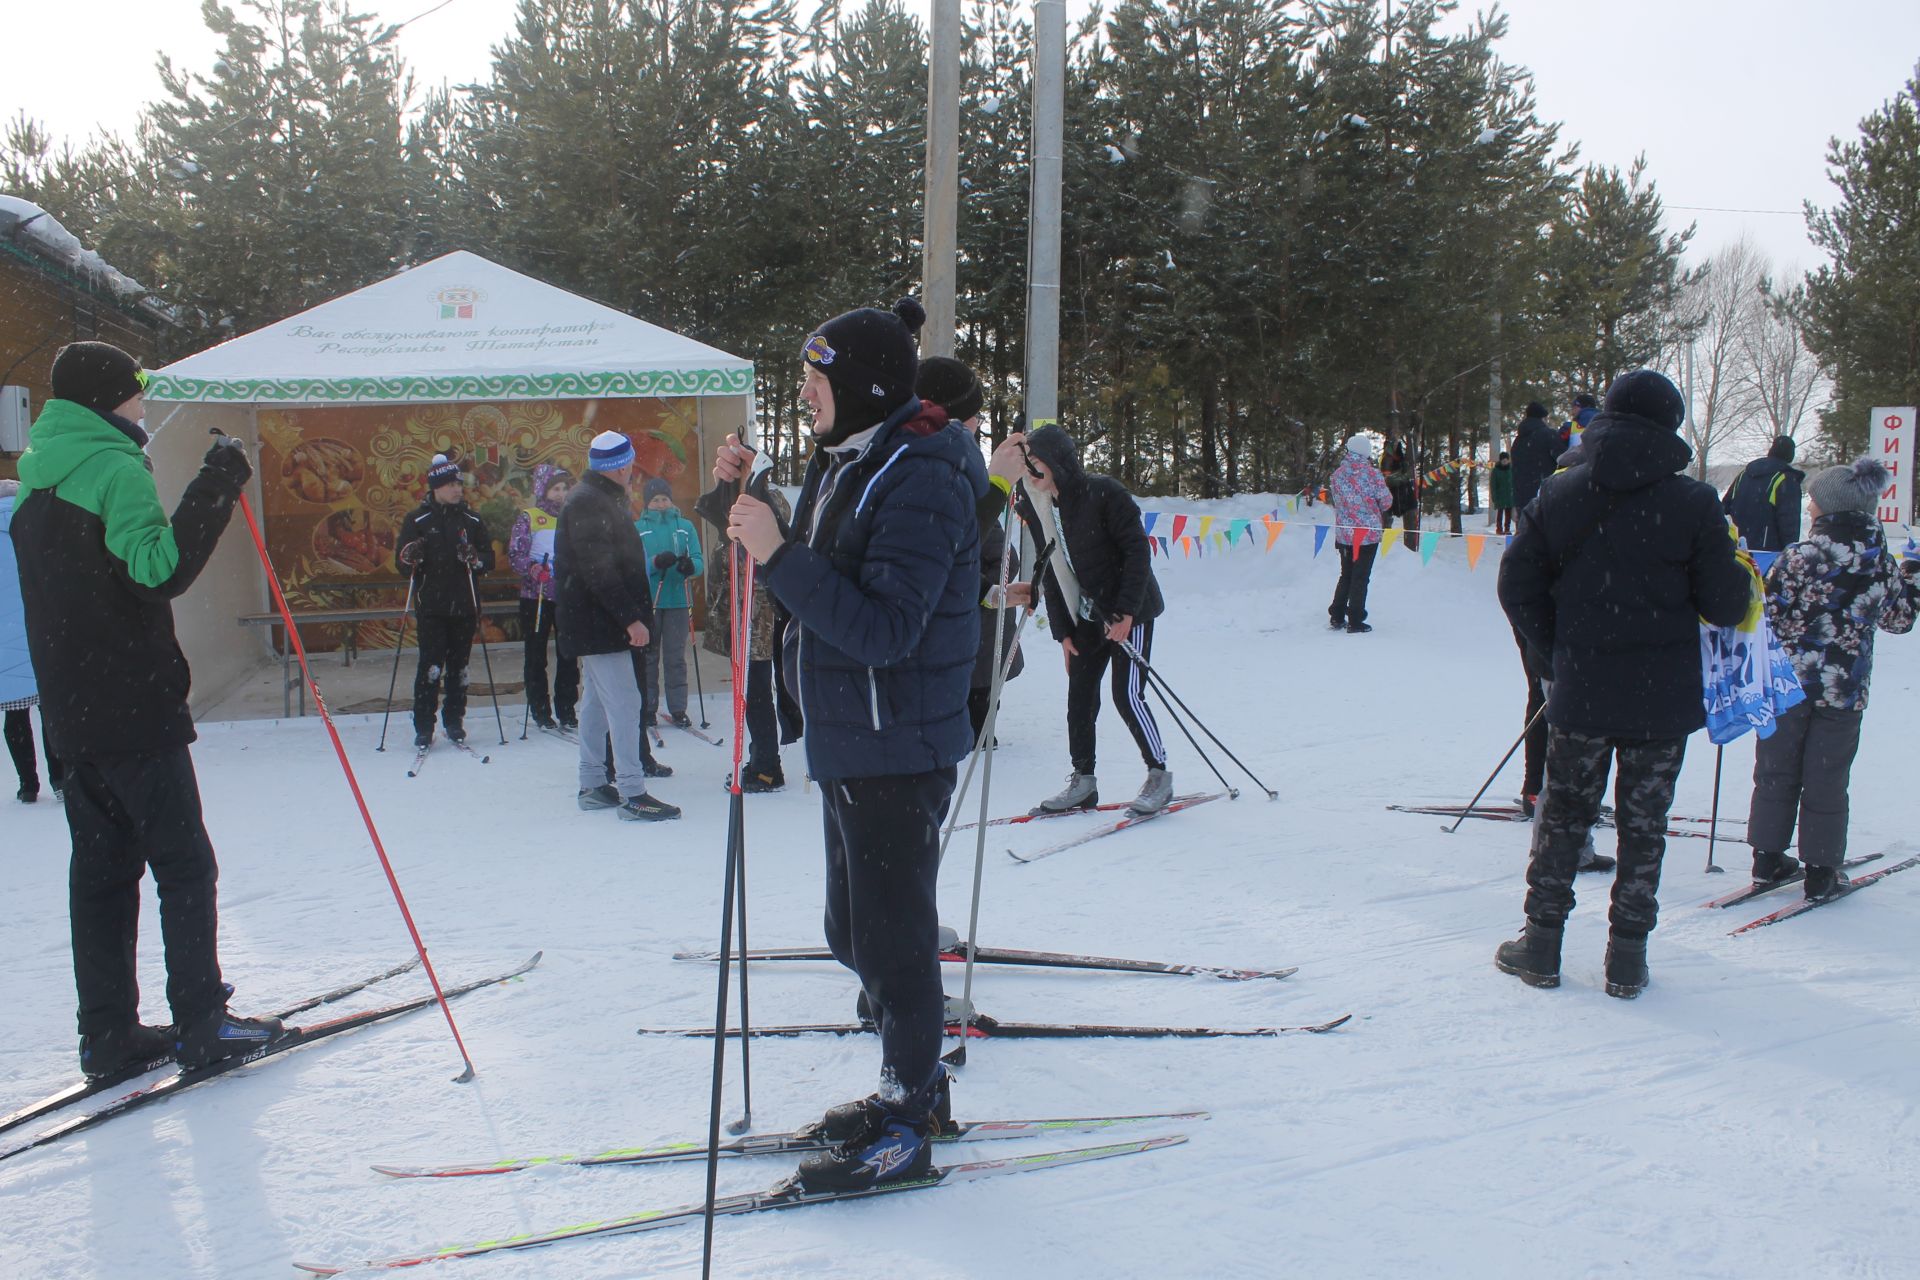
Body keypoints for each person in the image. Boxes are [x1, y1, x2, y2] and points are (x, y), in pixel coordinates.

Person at [716, 296, 981, 1192]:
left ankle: (908, 1119)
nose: (804, 393)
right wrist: (742, 502)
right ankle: (921, 1084)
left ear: (864, 387)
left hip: (896, 745)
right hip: (847, 737)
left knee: (896, 949)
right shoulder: (850, 459)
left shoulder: (926, 476)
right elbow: (813, 567)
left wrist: (779, 553)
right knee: (850, 931)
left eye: (816, 379)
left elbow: (884, 630)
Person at [10, 340, 284, 1073]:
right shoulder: (112, 467)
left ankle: (107, 1034)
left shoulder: (34, 484)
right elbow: (158, 571)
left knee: (101, 875)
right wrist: (217, 483)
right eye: (135, 390)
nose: (143, 403)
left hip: (72, 714)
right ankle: (203, 1021)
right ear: (108, 397)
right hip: (132, 707)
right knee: (183, 864)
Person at [1494, 369, 1754, 999]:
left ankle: (1542, 945)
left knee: (1564, 816)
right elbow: (1725, 605)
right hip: (1661, 700)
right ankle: (1628, 958)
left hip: (1583, 689)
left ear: (1607, 417)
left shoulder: (1562, 493)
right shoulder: (1693, 503)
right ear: (1671, 426)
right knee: (1645, 824)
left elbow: (1515, 584)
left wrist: (1557, 653)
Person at [1746, 458, 1918, 899]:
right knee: (1827, 775)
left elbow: (1767, 616)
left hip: (1788, 684)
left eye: (1813, 502)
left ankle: (1767, 859)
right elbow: (1899, 621)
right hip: (1844, 686)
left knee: (1776, 769)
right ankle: (1821, 869)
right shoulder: (1878, 562)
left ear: (1826, 509)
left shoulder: (1799, 556)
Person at [1012, 424, 1170, 815]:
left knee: (1127, 695)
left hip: (1128, 610)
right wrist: (1063, 633)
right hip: (1086, 615)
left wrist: (1126, 612)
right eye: (1028, 465)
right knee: (1080, 697)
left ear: (1058, 461)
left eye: (1037, 463)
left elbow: (1138, 553)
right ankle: (1083, 782)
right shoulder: (1042, 505)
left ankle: (1159, 776)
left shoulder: (1105, 493)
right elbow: (1049, 568)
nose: (1032, 471)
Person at [554, 431, 680, 822]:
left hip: (594, 622)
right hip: (602, 624)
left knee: (594, 703)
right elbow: (599, 570)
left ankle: (593, 783)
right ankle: (632, 791)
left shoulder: (594, 497)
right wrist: (630, 619)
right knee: (625, 703)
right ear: (621, 466)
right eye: (630, 464)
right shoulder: (591, 502)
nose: (633, 472)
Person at [915, 356, 1025, 738]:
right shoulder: (919, 465)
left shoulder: (949, 462)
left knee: (976, 706)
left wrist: (990, 591)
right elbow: (943, 543)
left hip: (962, 624)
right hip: (919, 660)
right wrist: (998, 484)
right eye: (969, 416)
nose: (977, 424)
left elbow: (961, 544)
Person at [695, 481, 792, 792]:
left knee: (758, 696)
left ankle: (766, 767)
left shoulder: (762, 536)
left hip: (759, 625)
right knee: (753, 695)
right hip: (747, 625)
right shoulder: (737, 535)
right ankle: (763, 761)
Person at [395, 455, 494, 749]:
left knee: (459, 667)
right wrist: (411, 555)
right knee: (430, 667)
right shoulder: (418, 520)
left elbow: (488, 558)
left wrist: (475, 558)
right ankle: (424, 725)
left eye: (458, 484)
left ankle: (454, 721)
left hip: (464, 605)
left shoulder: (472, 519)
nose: (457, 489)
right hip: (432, 606)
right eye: (451, 484)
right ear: (437, 487)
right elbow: (401, 564)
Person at [2, 479, 64, 803]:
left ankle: (28, 784)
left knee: (14, 713)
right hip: (35, 626)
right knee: (49, 709)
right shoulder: (32, 524)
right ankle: (61, 779)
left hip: (2, 637)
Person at [508, 464, 579, 731]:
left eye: (564, 488)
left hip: (567, 594)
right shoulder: (530, 517)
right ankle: (540, 709)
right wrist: (532, 568)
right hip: (535, 595)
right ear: (543, 490)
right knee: (537, 655)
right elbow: (515, 554)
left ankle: (567, 708)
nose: (561, 494)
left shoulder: (573, 516)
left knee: (569, 655)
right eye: (555, 489)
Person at [636, 476, 705, 729]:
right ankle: (648, 707)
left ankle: (678, 707)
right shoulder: (638, 528)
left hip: (676, 599)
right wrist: (654, 562)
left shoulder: (684, 527)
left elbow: (698, 560)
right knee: (649, 656)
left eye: (664, 499)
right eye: (655, 500)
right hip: (651, 600)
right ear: (647, 503)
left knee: (675, 657)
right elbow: (634, 566)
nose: (661, 504)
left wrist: (689, 567)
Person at [1327, 433, 1393, 634]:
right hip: (1367, 535)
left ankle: (1337, 615)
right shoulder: (1372, 475)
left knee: (1346, 574)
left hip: (1345, 535)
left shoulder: (1337, 474)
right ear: (1366, 453)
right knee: (1361, 577)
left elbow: (1335, 500)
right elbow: (1386, 502)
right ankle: (1355, 619)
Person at [1722, 435, 1805, 552]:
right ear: (1790, 455)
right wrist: (1790, 551)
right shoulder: (1785, 478)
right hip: (1768, 553)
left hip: (1737, 550)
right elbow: (1789, 521)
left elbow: (1724, 508)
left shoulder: (1744, 474)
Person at [1489, 450, 1515, 535]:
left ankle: (1507, 528)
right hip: (1500, 495)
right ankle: (1499, 529)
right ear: (1500, 460)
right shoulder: (1496, 471)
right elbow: (1493, 485)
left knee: (1508, 513)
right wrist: (1494, 496)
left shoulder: (1511, 469)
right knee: (1500, 513)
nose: (1505, 461)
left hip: (1509, 495)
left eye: (1506, 459)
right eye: (1503, 460)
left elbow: (1515, 481)